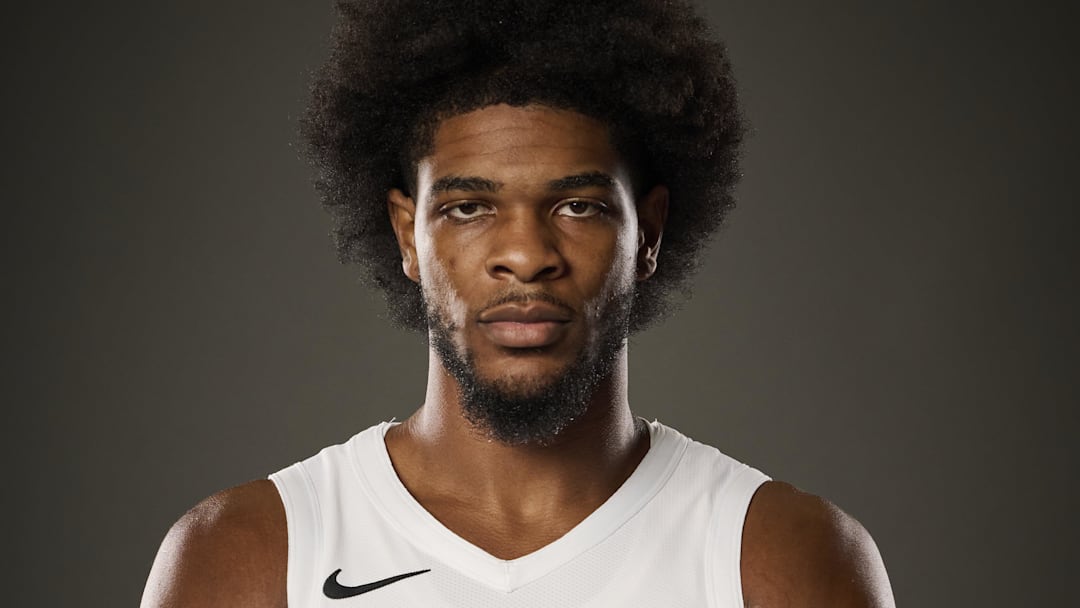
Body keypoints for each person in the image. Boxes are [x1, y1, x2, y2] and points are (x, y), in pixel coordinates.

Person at [141, 1, 895, 606]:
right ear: (407, 234)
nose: (527, 255)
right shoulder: (251, 558)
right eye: (469, 208)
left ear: (649, 233)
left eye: (578, 206)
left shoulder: (783, 564)